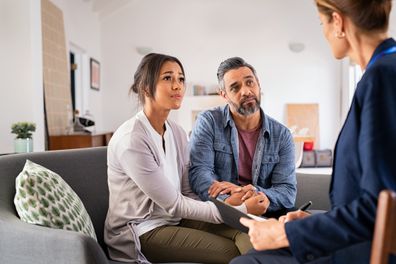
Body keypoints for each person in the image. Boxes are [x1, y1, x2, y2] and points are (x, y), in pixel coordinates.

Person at [231, 0, 396, 263]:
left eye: (322, 23)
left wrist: (286, 233)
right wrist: (310, 223)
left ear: (338, 22)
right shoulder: (383, 71)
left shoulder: (381, 78)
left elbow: (380, 209)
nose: (324, 32)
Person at [104, 53, 257, 264]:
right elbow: (174, 204)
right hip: (143, 230)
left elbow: (187, 192)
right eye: (168, 78)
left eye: (181, 79)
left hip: (177, 220)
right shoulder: (132, 140)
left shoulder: (176, 132)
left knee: (248, 233)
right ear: (146, 87)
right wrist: (238, 209)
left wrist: (228, 199)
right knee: (229, 251)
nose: (177, 86)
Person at [189, 57, 297, 218]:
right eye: (235, 87)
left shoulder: (282, 135)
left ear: (258, 84)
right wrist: (229, 201)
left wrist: (254, 193)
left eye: (249, 82)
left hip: (265, 214)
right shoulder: (208, 122)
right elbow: (200, 172)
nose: (246, 91)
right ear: (224, 95)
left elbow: (287, 191)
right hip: (225, 211)